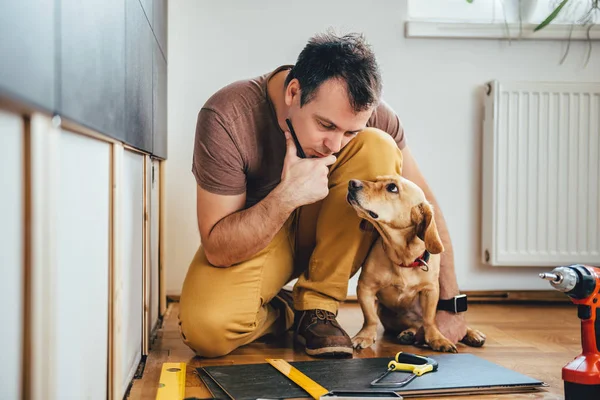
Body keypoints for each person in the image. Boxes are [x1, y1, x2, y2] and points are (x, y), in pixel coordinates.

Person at [178, 31, 469, 358]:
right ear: (293, 92)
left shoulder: (375, 118)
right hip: (262, 231)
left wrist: (450, 304)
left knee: (378, 146)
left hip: (339, 228)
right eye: (325, 125)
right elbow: (218, 248)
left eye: (349, 132)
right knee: (206, 330)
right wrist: (286, 196)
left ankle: (316, 309)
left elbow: (422, 204)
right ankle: (287, 310)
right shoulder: (228, 116)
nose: (335, 145)